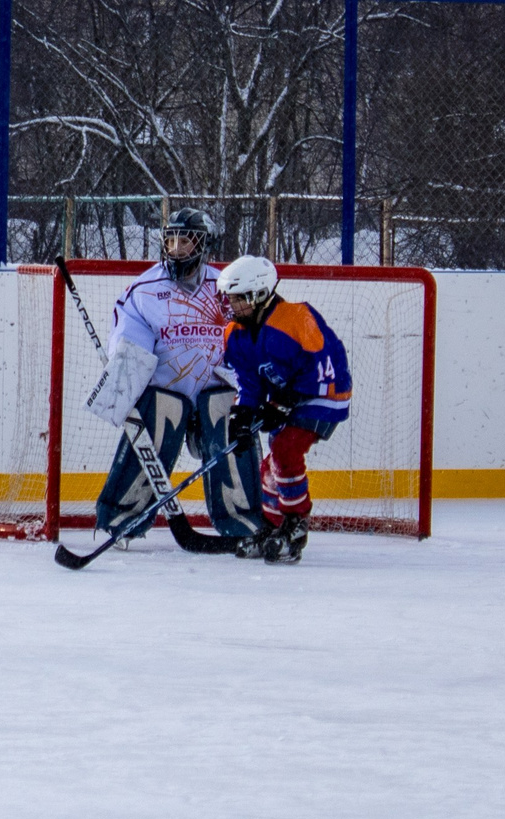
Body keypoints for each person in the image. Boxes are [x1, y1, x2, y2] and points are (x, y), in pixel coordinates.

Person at [83, 208, 262, 542]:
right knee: (157, 418)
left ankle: (243, 522)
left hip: (216, 393)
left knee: (233, 415)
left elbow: (249, 338)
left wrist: (250, 387)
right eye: (172, 240)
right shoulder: (145, 289)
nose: (177, 248)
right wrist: (125, 391)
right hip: (166, 396)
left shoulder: (226, 287)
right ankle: (121, 520)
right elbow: (128, 344)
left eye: (186, 240)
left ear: (204, 244)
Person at [215, 255, 353, 563]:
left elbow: (323, 367)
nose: (230, 306)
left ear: (258, 294)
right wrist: (244, 411)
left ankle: (295, 524)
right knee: (272, 467)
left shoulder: (296, 318)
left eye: (237, 299)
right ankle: (271, 526)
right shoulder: (235, 334)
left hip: (324, 393)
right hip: (286, 397)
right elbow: (249, 382)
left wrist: (284, 403)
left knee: (286, 449)